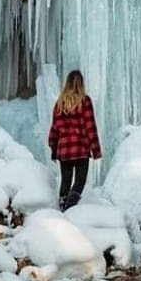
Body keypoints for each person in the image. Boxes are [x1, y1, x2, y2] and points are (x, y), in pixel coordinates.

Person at [48, 69, 102, 211]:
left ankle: (62, 207)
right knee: (79, 182)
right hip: (81, 149)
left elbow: (54, 129)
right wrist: (96, 150)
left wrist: (53, 149)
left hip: (64, 150)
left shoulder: (59, 104)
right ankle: (69, 208)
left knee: (65, 182)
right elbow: (90, 127)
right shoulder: (85, 101)